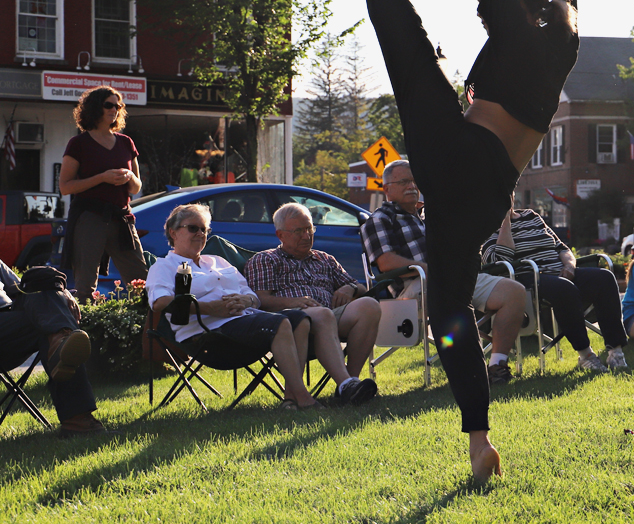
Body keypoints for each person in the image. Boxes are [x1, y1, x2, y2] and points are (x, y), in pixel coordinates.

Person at [338, 0, 577, 481]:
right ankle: (479, 442)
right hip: (484, 194)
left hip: (464, 159)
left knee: (412, 55)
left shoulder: (511, 19)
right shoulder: (564, 41)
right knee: (446, 310)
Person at [147, 204, 364, 409]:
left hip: (244, 320)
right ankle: (304, 399)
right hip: (209, 333)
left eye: (204, 229)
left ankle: (292, 398)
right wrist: (211, 308)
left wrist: (246, 301)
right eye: (193, 228)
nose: (200, 234)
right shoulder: (164, 266)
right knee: (281, 322)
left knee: (300, 319)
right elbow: (161, 302)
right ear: (173, 233)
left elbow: (253, 296)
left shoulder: (218, 261)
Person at [361, 159, 527, 385]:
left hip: (453, 279)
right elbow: (386, 263)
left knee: (514, 292)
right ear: (387, 189)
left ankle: (496, 365)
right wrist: (431, 270)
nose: (412, 186)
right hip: (415, 288)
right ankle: (471, 358)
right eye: (403, 182)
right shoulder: (380, 219)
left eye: (414, 181)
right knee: (448, 289)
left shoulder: (429, 215)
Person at [244, 203, 380, 401]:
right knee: (323, 314)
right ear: (280, 235)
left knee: (370, 306)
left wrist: (348, 288)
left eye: (309, 229)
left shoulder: (324, 259)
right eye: (298, 231)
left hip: (329, 317)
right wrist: (295, 302)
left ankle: (351, 382)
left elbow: (360, 288)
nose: (306, 236)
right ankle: (346, 385)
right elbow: (260, 300)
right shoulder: (265, 260)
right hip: (291, 320)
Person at [481, 206, 628, 371]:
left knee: (604, 277)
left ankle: (616, 351)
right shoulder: (485, 224)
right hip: (528, 278)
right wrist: (505, 220)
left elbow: (561, 248)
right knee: (564, 288)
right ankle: (586, 355)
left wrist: (570, 266)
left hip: (560, 272)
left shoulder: (531, 216)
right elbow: (498, 261)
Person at [0, 261, 109, 437]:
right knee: (51, 320)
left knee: (40, 281)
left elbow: (25, 286)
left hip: (11, 324)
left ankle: (61, 341)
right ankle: (77, 419)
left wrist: (61, 292)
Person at [59, 86, 146, 304]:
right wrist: (102, 177)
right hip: (90, 216)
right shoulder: (78, 143)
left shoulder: (126, 142)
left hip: (122, 218)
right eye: (109, 105)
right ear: (95, 107)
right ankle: (86, 331)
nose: (114, 110)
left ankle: (142, 329)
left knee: (141, 280)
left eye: (118, 106)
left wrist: (128, 177)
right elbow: (65, 187)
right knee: (86, 285)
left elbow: (136, 187)